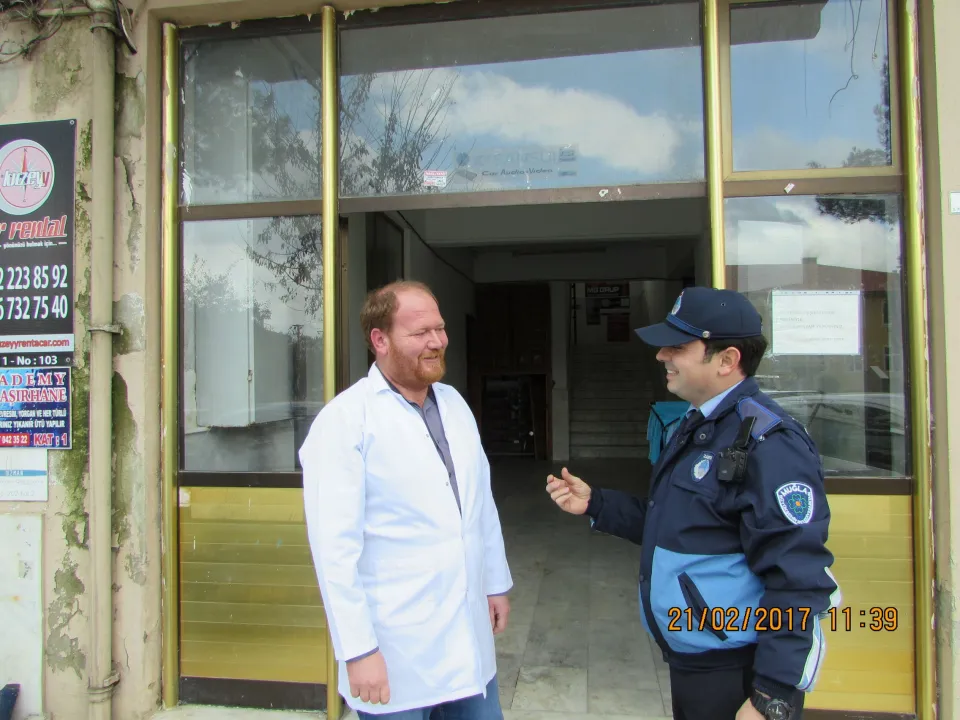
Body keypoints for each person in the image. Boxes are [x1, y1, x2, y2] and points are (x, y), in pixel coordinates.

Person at [546, 287, 841, 720]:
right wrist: (597, 504)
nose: (661, 356)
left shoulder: (770, 443)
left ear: (727, 360)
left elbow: (798, 579)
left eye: (678, 347)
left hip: (737, 671)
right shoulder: (698, 425)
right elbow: (676, 524)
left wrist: (771, 696)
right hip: (695, 663)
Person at [300, 280, 513, 720]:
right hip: (396, 652)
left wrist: (495, 583)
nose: (438, 341)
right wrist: (358, 650)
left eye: (440, 328)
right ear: (380, 340)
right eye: (421, 333)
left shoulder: (455, 405)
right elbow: (334, 551)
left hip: (468, 641)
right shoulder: (345, 421)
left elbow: (480, 506)